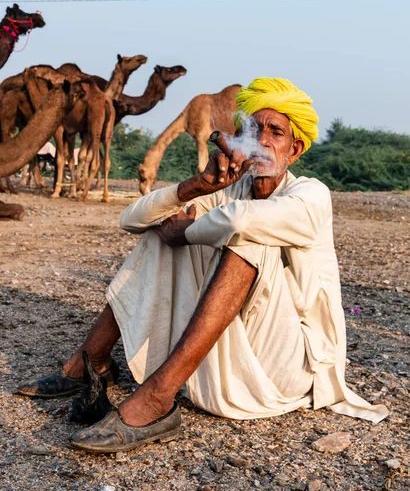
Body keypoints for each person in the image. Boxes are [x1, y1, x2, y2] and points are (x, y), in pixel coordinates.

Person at [18, 78, 388, 453]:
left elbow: (243, 222)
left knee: (247, 237)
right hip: (235, 363)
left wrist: (188, 230)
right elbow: (129, 220)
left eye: (274, 133)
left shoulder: (310, 194)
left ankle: (157, 400)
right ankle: (92, 363)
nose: (260, 141)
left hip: (289, 369)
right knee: (159, 231)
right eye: (252, 129)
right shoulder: (233, 191)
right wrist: (196, 186)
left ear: (294, 150)